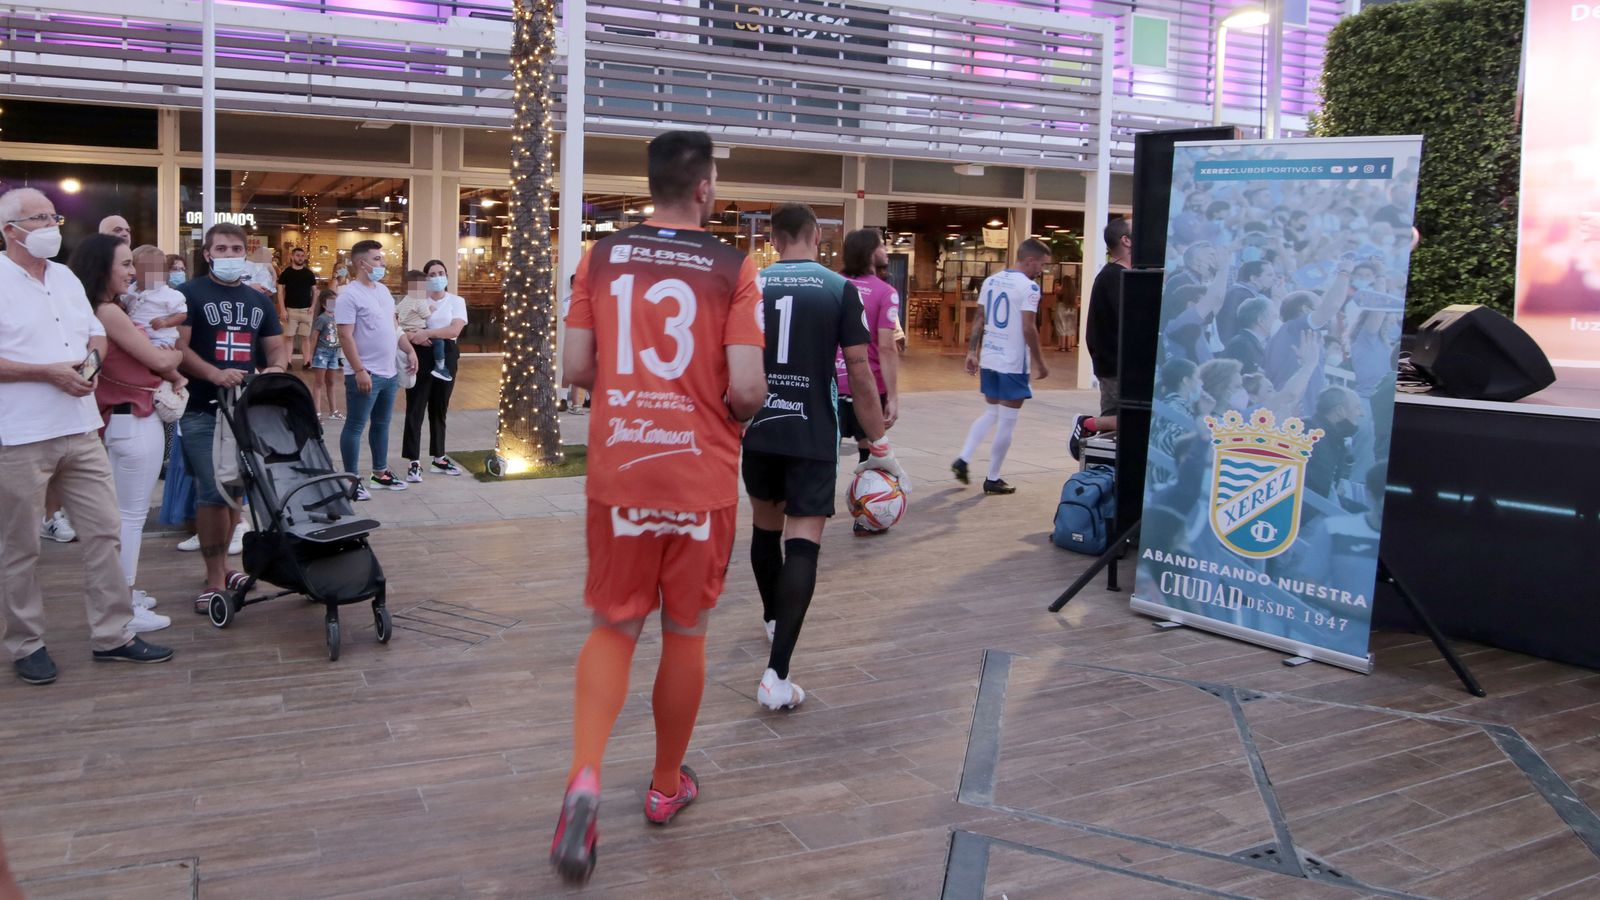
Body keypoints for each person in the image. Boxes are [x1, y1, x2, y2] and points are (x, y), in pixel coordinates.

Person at [549, 130, 767, 884]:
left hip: (621, 473)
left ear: (651, 185)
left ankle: (583, 778)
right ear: (704, 187)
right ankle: (666, 785)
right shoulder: (735, 268)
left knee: (614, 624)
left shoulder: (599, 257)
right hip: (698, 478)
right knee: (685, 629)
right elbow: (744, 387)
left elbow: (576, 367)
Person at [0, 187, 175, 685]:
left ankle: (113, 634)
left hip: (80, 427)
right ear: (10, 230)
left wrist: (91, 368)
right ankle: (26, 642)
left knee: (104, 531)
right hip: (19, 434)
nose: (51, 226)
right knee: (19, 546)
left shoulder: (64, 278)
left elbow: (93, 335)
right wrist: (47, 373)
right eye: (38, 219)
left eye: (53, 216)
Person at [744, 202, 908, 708]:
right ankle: (777, 674)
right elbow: (859, 371)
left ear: (773, 239)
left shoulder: (752, 285)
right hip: (811, 433)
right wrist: (878, 443)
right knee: (804, 545)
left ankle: (774, 619)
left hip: (761, 429)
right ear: (818, 236)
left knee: (764, 532)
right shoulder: (840, 289)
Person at [176, 222, 288, 616]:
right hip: (202, 409)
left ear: (246, 252)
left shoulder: (258, 301)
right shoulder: (187, 294)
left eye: (235, 248)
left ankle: (227, 567)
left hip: (245, 412)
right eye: (220, 248)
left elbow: (276, 348)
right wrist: (212, 373)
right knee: (211, 492)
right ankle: (212, 579)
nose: (228, 254)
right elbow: (178, 347)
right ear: (207, 254)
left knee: (235, 491)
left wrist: (275, 368)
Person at [71, 234, 181, 629]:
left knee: (122, 516)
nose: (132, 272)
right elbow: (156, 356)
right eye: (124, 264)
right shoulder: (109, 312)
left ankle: (124, 595)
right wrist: (177, 357)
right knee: (129, 517)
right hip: (134, 420)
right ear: (102, 267)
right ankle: (123, 607)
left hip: (118, 421)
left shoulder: (94, 309)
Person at [951, 238, 1051, 494]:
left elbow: (980, 317)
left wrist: (972, 352)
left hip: (991, 358)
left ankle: (964, 457)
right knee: (1007, 420)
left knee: (991, 412)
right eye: (1041, 264)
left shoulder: (991, 281)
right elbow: (1028, 327)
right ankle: (993, 477)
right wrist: (1039, 362)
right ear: (1030, 261)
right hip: (1013, 362)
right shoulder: (1029, 288)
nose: (1042, 270)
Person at [336, 240, 417, 499]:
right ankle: (351, 480)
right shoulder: (349, 294)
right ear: (362, 263)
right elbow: (345, 336)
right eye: (378, 259)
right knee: (356, 425)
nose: (383, 263)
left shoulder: (382, 291)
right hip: (365, 373)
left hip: (389, 372)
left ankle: (380, 473)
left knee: (381, 424)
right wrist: (359, 370)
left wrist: (408, 349)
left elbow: (394, 326)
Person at [834, 228, 901, 475]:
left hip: (833, 384)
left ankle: (819, 508)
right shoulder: (886, 293)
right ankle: (867, 505)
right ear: (871, 253)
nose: (886, 250)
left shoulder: (832, 283)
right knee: (873, 448)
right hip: (869, 384)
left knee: (829, 450)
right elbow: (886, 346)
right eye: (882, 245)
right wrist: (893, 397)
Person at [401, 259, 468, 480]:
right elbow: (401, 328)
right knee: (416, 407)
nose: (437, 277)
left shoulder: (456, 301)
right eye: (432, 274)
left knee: (439, 408)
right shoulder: (415, 301)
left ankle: (439, 457)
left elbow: (454, 330)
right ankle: (414, 461)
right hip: (420, 355)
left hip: (446, 355)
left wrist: (427, 333)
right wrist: (415, 338)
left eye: (441, 273)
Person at [1072, 217, 1130, 460]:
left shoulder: (1122, 275)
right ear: (1126, 241)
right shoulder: (1113, 277)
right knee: (1125, 422)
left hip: (1122, 366)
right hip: (1116, 366)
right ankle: (1088, 424)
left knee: (1125, 425)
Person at [127, 245, 187, 348]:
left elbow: (182, 314)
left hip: (161, 339)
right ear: (134, 269)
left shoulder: (169, 294)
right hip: (136, 337)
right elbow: (122, 302)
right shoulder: (130, 289)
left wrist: (166, 322)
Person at [277, 246, 318, 366]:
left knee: (305, 337)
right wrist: (283, 310)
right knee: (288, 337)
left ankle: (307, 361)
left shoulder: (309, 273)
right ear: (292, 256)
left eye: (302, 256)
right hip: (290, 310)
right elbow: (280, 292)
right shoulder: (286, 273)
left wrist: (313, 306)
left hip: (306, 310)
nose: (300, 258)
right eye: (297, 255)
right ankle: (288, 361)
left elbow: (315, 291)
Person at [310, 288, 345, 420]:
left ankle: (334, 411)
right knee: (319, 383)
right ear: (324, 305)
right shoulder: (321, 319)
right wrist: (310, 356)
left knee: (331, 382)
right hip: (321, 353)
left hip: (334, 353)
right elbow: (314, 337)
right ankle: (317, 412)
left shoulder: (339, 318)